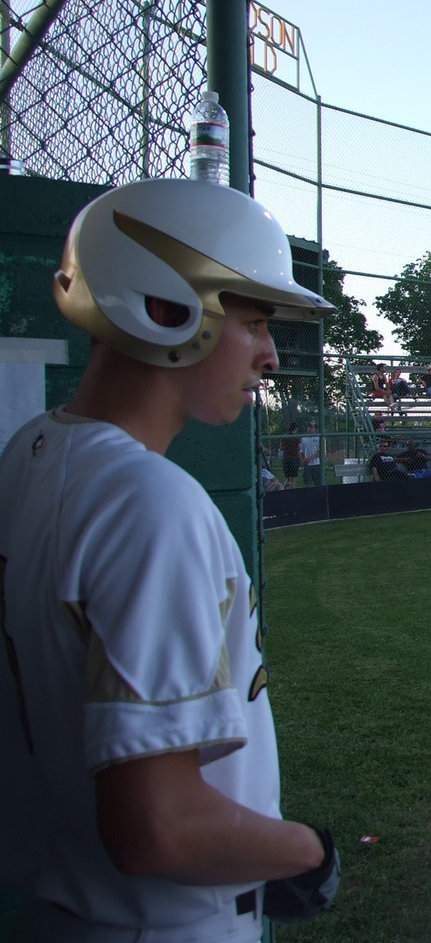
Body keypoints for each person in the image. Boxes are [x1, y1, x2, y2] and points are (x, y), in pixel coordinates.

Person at [0, 178, 341, 941]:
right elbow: (162, 828)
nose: (269, 356)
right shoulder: (150, 499)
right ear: (165, 308)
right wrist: (306, 851)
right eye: (252, 321)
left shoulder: (26, 454)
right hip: (161, 921)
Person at [301, 420, 323, 486]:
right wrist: (303, 460)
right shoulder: (304, 438)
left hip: (316, 464)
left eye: (311, 427)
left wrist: (310, 459)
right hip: (307, 465)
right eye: (308, 427)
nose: (309, 428)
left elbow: (320, 452)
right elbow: (301, 451)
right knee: (308, 483)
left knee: (318, 484)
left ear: (315, 429)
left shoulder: (319, 438)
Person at [281, 421, 302, 488]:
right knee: (293, 478)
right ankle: (292, 489)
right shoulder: (297, 437)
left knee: (288, 477)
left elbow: (281, 447)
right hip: (294, 458)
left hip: (286, 458)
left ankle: (285, 486)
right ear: (295, 428)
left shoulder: (284, 436)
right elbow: (299, 447)